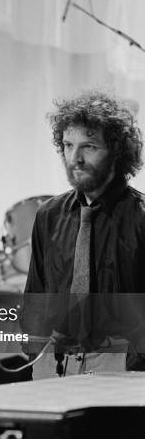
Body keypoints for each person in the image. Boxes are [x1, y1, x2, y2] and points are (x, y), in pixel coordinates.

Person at [22, 89, 145, 378]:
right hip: (54, 364)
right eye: (67, 145)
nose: (74, 158)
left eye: (88, 146)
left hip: (121, 367)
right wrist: (36, 352)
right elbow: (35, 295)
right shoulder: (48, 215)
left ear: (117, 150)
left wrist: (134, 360)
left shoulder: (141, 218)